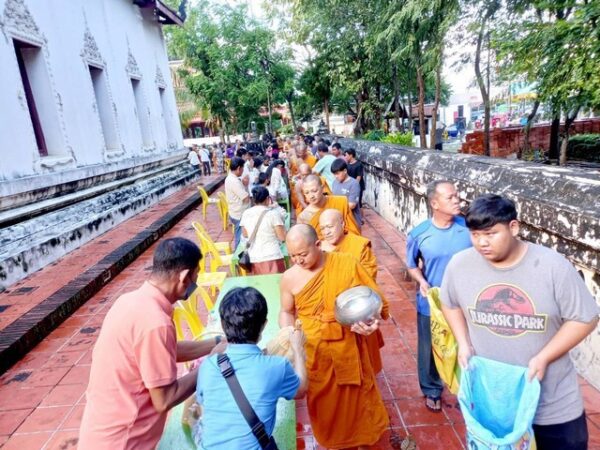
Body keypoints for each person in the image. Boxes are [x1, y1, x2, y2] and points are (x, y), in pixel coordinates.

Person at [441, 194, 599, 450]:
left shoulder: (552, 267)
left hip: (552, 403)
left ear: (513, 227)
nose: (482, 243)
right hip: (495, 401)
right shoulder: (460, 265)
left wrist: (544, 357)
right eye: (475, 235)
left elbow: (584, 318)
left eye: (491, 233)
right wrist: (463, 342)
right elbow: (450, 303)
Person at [79, 238, 226, 449]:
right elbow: (165, 399)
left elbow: (167, 351)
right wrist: (211, 363)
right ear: (184, 277)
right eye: (196, 276)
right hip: (124, 441)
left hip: (99, 431)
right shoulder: (156, 323)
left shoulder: (128, 301)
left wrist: (217, 342)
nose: (195, 283)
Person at [279, 224, 389, 449]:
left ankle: (359, 438)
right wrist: (290, 338)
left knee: (357, 400)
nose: (298, 260)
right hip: (315, 349)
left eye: (303, 254)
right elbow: (286, 311)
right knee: (324, 403)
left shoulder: (345, 263)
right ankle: (333, 440)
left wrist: (370, 321)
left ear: (318, 245)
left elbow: (371, 298)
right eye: (292, 256)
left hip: (347, 342)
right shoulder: (289, 277)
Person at [196, 287, 307, 449]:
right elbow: (301, 389)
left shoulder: (209, 365)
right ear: (264, 325)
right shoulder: (277, 367)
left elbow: (202, 405)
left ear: (222, 324)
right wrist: (297, 349)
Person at [405, 180, 472, 412]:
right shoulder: (419, 234)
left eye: (457, 196)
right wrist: (422, 281)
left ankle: (468, 388)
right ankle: (431, 389)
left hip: (466, 301)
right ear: (435, 203)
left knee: (468, 344)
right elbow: (411, 265)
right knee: (429, 348)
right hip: (432, 302)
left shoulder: (469, 228)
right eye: (451, 197)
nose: (457, 200)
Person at [239, 186, 287, 275]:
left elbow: (245, 234)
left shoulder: (246, 213)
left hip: (254, 257)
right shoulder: (273, 214)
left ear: (253, 199)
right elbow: (282, 237)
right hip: (272, 256)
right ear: (268, 199)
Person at [319, 209, 377, 280]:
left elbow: (368, 277)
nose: (326, 232)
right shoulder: (318, 248)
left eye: (330, 226)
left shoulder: (359, 245)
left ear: (342, 224)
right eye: (322, 228)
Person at [225, 157, 250, 249]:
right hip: (239, 214)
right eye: (243, 168)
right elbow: (245, 198)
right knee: (240, 238)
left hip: (234, 211)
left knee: (239, 234)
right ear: (239, 168)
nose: (243, 171)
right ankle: (238, 257)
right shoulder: (234, 181)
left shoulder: (231, 177)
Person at [331, 158, 362, 227]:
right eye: (334, 174)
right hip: (338, 220)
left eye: (337, 173)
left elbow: (352, 205)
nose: (335, 176)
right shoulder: (335, 182)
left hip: (351, 220)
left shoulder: (354, 184)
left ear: (345, 171)